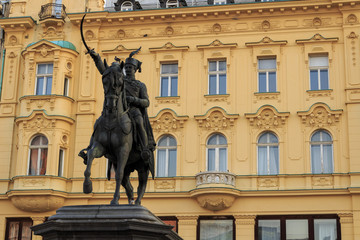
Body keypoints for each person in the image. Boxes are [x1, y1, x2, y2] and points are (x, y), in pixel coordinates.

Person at [79, 48, 155, 165]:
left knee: (139, 122)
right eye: (127, 67)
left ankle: (145, 149)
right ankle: (90, 148)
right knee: (99, 122)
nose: (129, 69)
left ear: (135, 69)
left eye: (131, 68)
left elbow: (146, 102)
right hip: (119, 110)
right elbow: (104, 71)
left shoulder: (140, 85)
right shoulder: (120, 80)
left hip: (134, 111)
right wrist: (96, 57)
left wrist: (133, 99)